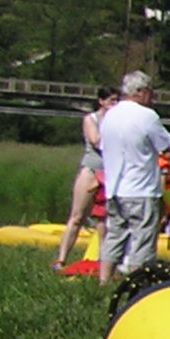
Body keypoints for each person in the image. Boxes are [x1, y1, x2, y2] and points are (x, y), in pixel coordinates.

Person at [97, 72, 170, 283]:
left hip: (114, 187)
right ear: (140, 92)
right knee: (142, 239)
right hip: (141, 187)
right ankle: (136, 283)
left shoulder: (109, 115)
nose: (152, 96)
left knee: (115, 235)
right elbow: (166, 147)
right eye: (150, 91)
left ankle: (103, 280)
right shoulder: (147, 116)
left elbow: (103, 146)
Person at [55, 85, 119, 271]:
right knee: (77, 216)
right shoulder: (91, 119)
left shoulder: (119, 121)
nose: (115, 104)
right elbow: (96, 140)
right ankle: (61, 260)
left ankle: (102, 262)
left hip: (109, 173)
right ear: (101, 101)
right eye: (111, 100)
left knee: (103, 220)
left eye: (117, 100)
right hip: (91, 169)